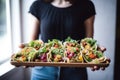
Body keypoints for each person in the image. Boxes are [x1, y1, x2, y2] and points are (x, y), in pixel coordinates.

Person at [19, 0, 109, 80]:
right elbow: (33, 43)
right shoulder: (38, 5)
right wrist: (27, 52)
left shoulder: (86, 5)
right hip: (43, 71)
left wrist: (94, 54)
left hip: (75, 70)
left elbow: (88, 42)